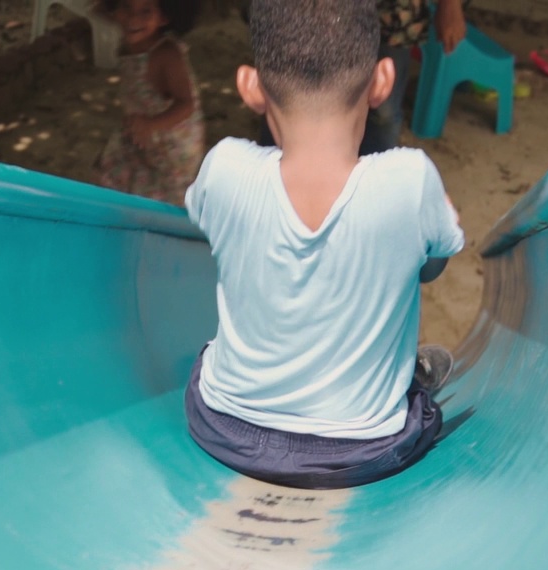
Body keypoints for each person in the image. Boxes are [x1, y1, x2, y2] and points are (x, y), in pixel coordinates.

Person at [184, 0, 465, 490]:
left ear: (250, 86)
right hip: (364, 450)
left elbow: (207, 226)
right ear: (382, 81)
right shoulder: (410, 179)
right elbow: (433, 266)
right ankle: (411, 375)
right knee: (414, 395)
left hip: (224, 429)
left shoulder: (223, 168)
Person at [251, 0, 466, 155]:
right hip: (307, 11)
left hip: (391, 15)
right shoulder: (416, 178)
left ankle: (372, 183)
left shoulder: (224, 163)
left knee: (384, 114)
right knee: (289, 92)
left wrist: (450, 4)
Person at [94, 0, 204, 206]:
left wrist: (151, 124)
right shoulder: (130, 42)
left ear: (165, 15)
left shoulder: (167, 55)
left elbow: (186, 105)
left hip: (172, 150)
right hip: (142, 133)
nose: (134, 18)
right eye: (126, 6)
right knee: (111, 176)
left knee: (154, 205)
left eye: (146, 11)